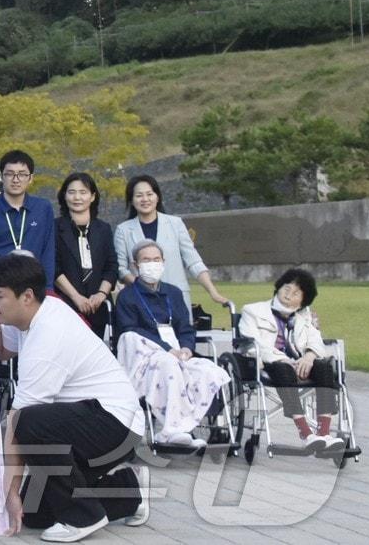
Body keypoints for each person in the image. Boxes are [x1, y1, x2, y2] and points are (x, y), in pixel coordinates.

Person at [0, 253, 146, 542]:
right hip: (90, 423)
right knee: (35, 513)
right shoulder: (34, 314)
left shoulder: (48, 334)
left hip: (114, 424)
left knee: (28, 421)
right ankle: (126, 491)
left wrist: (9, 492)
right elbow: (1, 350)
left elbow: (17, 422)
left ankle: (83, 517)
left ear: (26, 296)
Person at [113, 240, 230, 448]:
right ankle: (171, 430)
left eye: (156, 259)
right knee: (168, 365)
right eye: (146, 260)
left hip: (179, 353)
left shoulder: (174, 293)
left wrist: (186, 347)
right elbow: (131, 332)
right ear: (135, 265)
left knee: (208, 371)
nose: (152, 264)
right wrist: (168, 350)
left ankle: (190, 427)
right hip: (147, 357)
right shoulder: (126, 297)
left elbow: (185, 327)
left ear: (163, 262)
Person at [239, 269, 344, 453]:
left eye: (296, 293)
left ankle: (323, 434)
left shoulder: (304, 316)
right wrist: (287, 360)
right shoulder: (252, 310)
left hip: (300, 363)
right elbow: (255, 344)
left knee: (325, 366)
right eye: (286, 289)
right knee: (283, 369)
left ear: (303, 301)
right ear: (278, 288)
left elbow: (316, 341)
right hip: (270, 363)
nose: (288, 295)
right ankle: (305, 433)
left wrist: (310, 357)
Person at [113, 175, 229, 311]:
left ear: (157, 197)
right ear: (131, 200)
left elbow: (194, 261)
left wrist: (212, 291)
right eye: (139, 195)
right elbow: (121, 269)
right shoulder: (123, 230)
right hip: (141, 300)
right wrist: (144, 288)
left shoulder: (176, 224)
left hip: (176, 299)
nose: (145, 199)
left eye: (149, 194)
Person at [0, 150, 56, 287]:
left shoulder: (43, 208)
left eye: (22, 174)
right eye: (10, 174)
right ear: (2, 177)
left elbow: (48, 253)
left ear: (30, 178)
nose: (15, 179)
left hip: (32, 288)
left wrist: (48, 290)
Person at [53, 172, 118, 338]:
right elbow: (54, 267)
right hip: (66, 304)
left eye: (83, 192)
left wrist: (101, 294)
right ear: (64, 196)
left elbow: (111, 266)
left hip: (99, 306)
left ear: (93, 196)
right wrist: (77, 298)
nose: (77, 197)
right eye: (71, 192)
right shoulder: (54, 227)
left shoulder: (103, 229)